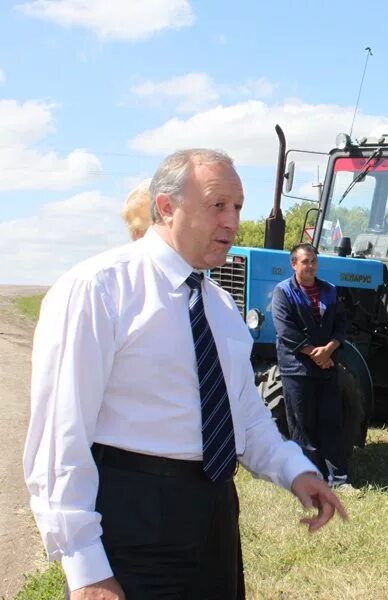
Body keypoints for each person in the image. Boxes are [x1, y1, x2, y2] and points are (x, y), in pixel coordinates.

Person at [24, 149, 347, 600]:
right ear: (166, 207)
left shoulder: (221, 306)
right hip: (132, 515)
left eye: (237, 206)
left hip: (214, 513)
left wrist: (296, 471)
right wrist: (86, 567)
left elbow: (247, 416)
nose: (232, 221)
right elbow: (61, 435)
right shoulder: (98, 289)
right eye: (217, 205)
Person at [272, 243, 350, 488]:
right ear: (293, 264)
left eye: (313, 261)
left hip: (327, 366)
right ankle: (310, 479)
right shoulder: (283, 292)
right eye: (305, 262)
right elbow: (286, 330)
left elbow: (341, 325)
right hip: (297, 369)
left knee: (331, 422)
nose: (310, 266)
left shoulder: (330, 290)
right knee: (302, 426)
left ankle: (339, 480)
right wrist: (315, 353)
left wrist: (329, 350)